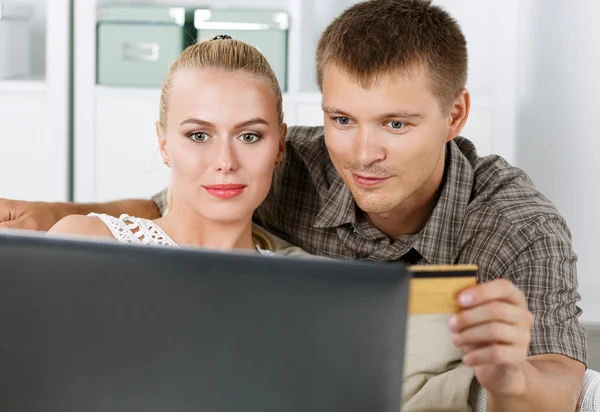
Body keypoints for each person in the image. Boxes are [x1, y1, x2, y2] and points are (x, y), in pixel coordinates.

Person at [0, 0, 587, 410]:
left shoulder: (517, 227)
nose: (362, 153)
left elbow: (560, 389)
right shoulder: (296, 163)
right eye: (342, 119)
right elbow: (181, 201)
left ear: (454, 115)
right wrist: (50, 214)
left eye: (396, 123)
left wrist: (507, 377)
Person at [46, 36, 307, 257]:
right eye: (199, 136)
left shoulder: (297, 286)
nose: (226, 162)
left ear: (280, 147)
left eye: (249, 136)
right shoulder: (85, 243)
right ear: (164, 144)